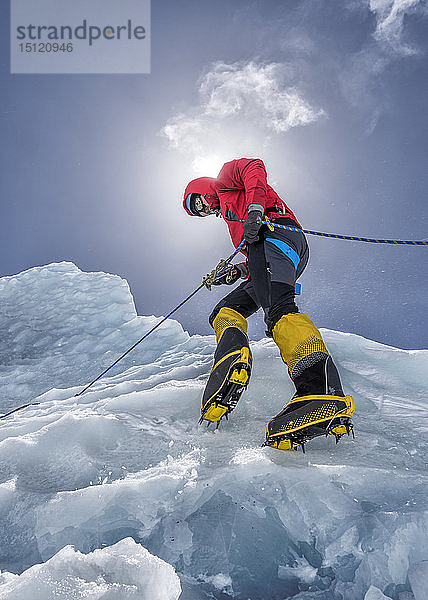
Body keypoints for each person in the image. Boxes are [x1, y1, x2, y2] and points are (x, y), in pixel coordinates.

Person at [183, 158, 354, 451]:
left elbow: (253, 167)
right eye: (199, 212)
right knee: (226, 311)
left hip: (275, 232)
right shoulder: (230, 213)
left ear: (201, 187)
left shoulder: (225, 181)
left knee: (279, 310)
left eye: (198, 203)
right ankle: (231, 359)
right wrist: (237, 271)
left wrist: (255, 210)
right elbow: (258, 264)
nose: (204, 209)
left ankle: (320, 389)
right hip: (276, 247)